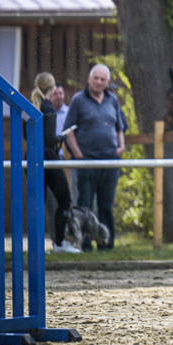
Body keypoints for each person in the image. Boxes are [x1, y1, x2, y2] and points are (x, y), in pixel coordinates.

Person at [63, 64, 126, 250]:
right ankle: (85, 244)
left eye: (103, 79)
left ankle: (106, 243)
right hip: (86, 161)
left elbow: (119, 128)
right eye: (96, 78)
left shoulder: (112, 101)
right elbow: (68, 131)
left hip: (110, 161)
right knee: (85, 206)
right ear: (89, 79)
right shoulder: (78, 100)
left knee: (106, 205)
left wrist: (121, 147)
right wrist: (79, 155)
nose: (99, 82)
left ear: (108, 82)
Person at [29, 72, 78, 253]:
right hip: (48, 158)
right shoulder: (48, 109)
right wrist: (62, 136)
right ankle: (59, 243)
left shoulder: (32, 106)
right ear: (52, 88)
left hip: (32, 158)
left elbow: (29, 136)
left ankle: (37, 246)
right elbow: (49, 139)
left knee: (37, 203)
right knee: (64, 199)